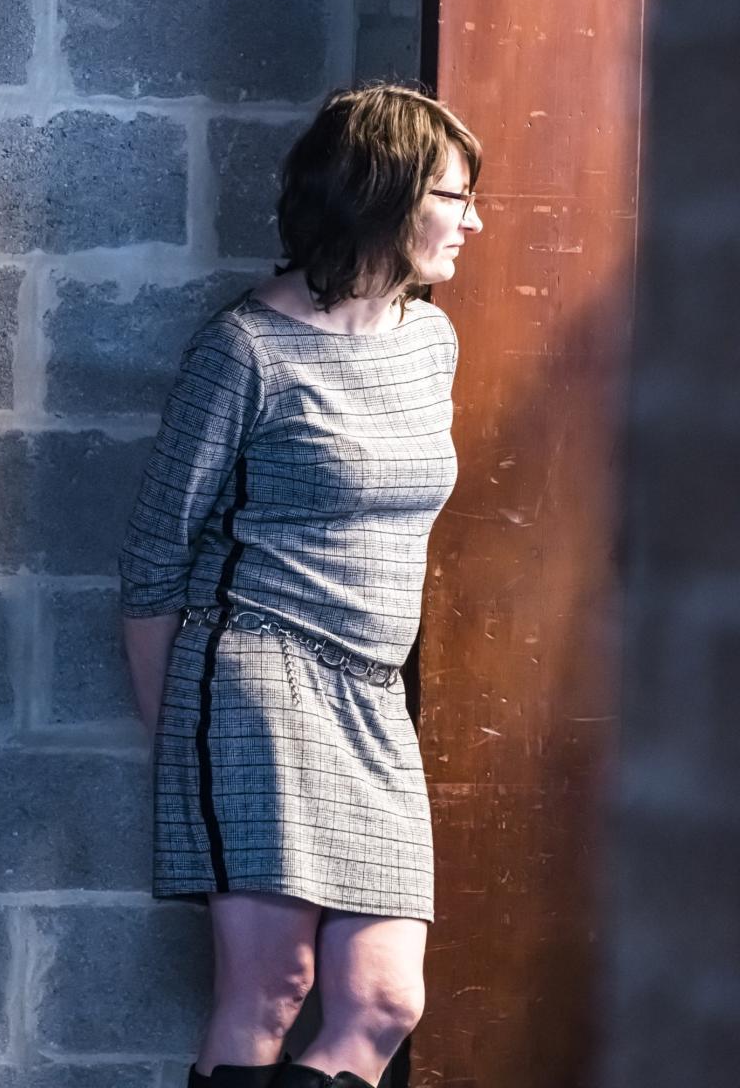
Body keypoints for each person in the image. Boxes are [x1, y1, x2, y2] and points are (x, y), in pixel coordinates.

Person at [118, 83, 483, 1088]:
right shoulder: (243, 351)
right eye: (454, 197)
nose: (472, 221)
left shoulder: (431, 342)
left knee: (383, 1003)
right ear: (384, 194)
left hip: (372, 697)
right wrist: (177, 740)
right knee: (270, 990)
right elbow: (151, 560)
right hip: (256, 682)